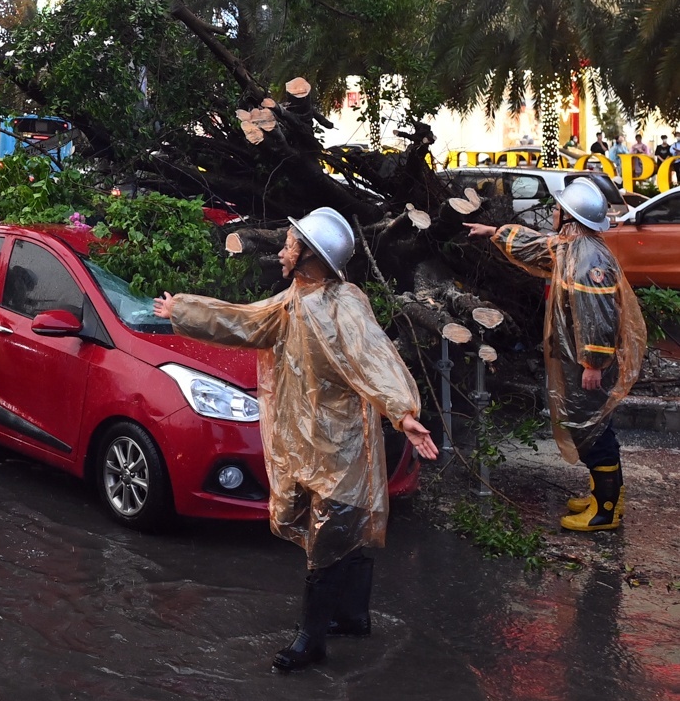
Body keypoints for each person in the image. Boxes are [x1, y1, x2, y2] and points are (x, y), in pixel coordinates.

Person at [151, 208, 439, 672]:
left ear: (311, 257)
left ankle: (311, 639)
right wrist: (184, 310)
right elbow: (246, 322)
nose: (283, 250)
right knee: (336, 527)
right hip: (306, 437)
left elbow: (375, 359)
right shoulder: (294, 299)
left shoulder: (343, 305)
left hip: (339, 443)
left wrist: (403, 412)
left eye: (290, 244)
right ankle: (351, 615)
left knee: (330, 530)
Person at [464, 179, 646, 531]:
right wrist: (494, 232)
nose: (552, 211)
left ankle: (605, 511)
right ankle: (605, 494)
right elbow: (538, 246)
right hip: (581, 361)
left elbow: (598, 315)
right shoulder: (572, 247)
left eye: (558, 208)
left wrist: (593, 363)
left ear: (569, 217)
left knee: (591, 430)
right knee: (593, 427)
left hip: (589, 364)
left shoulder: (587, 259)